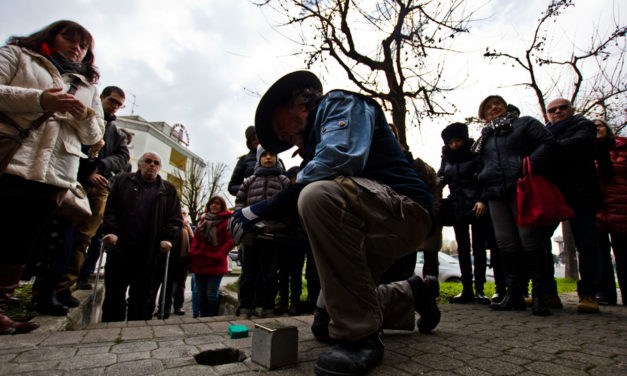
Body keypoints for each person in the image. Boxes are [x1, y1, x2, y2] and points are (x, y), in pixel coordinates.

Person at [229, 71, 438, 376]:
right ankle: (411, 293)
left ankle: (362, 338)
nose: (283, 139)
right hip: (371, 219)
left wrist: (263, 207)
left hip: (405, 211)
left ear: (300, 104)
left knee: (315, 194)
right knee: (326, 323)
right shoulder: (315, 144)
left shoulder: (340, 103)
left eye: (280, 127)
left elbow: (338, 160)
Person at [0, 20, 104, 334]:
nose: (76, 47)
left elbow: (95, 136)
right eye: (69, 38)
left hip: (54, 175)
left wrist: (82, 115)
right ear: (50, 37)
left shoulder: (87, 87)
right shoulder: (18, 56)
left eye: (83, 45)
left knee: (20, 244)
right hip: (12, 159)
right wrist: (41, 100)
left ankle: (0, 308)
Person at [473, 95, 556, 316]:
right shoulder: (485, 137)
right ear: (483, 114)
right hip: (494, 192)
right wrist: (482, 181)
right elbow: (479, 165)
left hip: (521, 188)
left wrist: (527, 164)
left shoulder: (524, 123)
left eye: (497, 103)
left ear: (506, 105)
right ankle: (514, 293)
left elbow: (548, 143)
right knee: (505, 241)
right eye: (488, 106)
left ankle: (538, 294)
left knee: (529, 238)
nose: (494, 107)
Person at [56, 86, 129, 306]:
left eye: (119, 104)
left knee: (83, 238)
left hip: (99, 187)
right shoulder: (84, 116)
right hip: (71, 180)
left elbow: (123, 157)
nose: (115, 106)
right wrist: (86, 172)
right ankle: (48, 287)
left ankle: (65, 287)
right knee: (60, 234)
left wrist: (101, 165)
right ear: (102, 98)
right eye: (112, 101)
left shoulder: (116, 133)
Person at [100, 152, 183, 322]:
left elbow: (175, 219)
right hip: (121, 249)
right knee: (114, 294)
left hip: (149, 253)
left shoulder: (168, 190)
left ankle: (136, 331)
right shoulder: (123, 181)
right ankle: (110, 330)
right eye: (148, 161)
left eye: (156, 162)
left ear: (159, 167)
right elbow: (110, 209)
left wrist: (167, 238)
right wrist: (110, 231)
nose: (152, 165)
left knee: (143, 297)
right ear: (140, 164)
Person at [545, 98, 603, 313]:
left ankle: (588, 294)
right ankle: (548, 292)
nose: (558, 112)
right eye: (553, 109)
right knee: (540, 241)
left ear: (572, 109)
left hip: (582, 193)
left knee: (587, 243)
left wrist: (548, 149)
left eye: (562, 108)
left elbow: (578, 145)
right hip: (552, 193)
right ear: (548, 114)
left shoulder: (584, 126)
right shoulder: (544, 132)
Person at [234, 145, 290, 319]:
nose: (268, 158)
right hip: (251, 237)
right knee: (248, 273)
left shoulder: (283, 181)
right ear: (258, 159)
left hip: (273, 236)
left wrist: (281, 223)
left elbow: (289, 204)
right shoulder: (249, 181)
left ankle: (267, 308)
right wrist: (244, 223)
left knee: (270, 275)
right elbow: (239, 203)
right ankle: (245, 308)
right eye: (264, 155)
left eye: (271, 154)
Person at [438, 122, 490, 304]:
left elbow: (485, 177)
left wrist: (482, 199)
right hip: (457, 206)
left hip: (476, 206)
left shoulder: (475, 154)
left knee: (479, 248)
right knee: (463, 249)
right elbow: (441, 177)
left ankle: (480, 289)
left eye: (457, 140)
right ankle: (467, 288)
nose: (454, 144)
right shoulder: (447, 158)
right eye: (450, 142)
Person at [594, 119, 626, 306]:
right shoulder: (587, 152)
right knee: (600, 253)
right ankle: (605, 294)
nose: (596, 129)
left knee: (623, 252)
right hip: (597, 207)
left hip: (621, 205)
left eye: (599, 126)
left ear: (607, 129)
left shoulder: (623, 149)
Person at [189, 196, 233, 317]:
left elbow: (230, 241)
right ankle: (203, 316)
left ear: (222, 206)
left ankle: (211, 317)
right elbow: (196, 238)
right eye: (212, 203)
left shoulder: (226, 221)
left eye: (217, 204)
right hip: (200, 261)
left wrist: (219, 254)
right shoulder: (203, 220)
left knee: (210, 293)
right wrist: (193, 251)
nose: (214, 205)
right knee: (200, 293)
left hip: (215, 262)